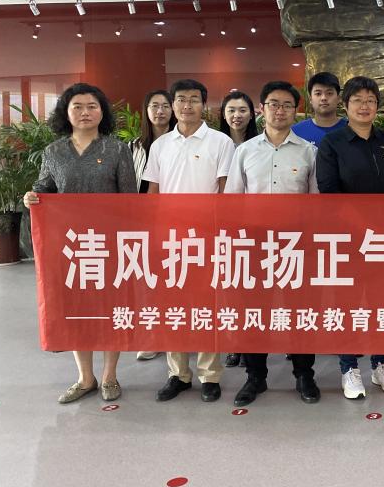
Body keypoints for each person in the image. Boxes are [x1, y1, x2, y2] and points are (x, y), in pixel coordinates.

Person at [23, 83, 137, 403]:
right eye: (77, 106)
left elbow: (130, 200)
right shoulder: (54, 152)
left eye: (92, 106)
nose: (85, 112)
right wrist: (32, 196)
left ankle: (110, 376)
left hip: (109, 245)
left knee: (111, 308)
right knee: (77, 310)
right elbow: (44, 188)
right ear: (66, 112)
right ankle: (85, 378)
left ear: (102, 112)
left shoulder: (117, 149)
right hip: (70, 246)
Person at [224, 81, 321, 407]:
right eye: (274, 104)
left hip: (295, 245)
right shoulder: (245, 151)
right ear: (262, 109)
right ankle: (255, 376)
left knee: (299, 310)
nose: (280, 111)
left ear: (296, 110)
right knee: (255, 311)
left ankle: (304, 374)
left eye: (287, 105)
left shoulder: (308, 151)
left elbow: (316, 202)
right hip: (254, 245)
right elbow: (233, 201)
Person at [144, 79, 236, 403]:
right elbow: (153, 192)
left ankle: (209, 375)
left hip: (207, 238)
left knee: (207, 306)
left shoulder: (221, 142)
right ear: (173, 105)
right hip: (170, 239)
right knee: (173, 308)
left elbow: (225, 191)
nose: (187, 105)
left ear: (204, 105)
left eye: (194, 99)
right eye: (181, 99)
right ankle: (178, 374)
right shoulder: (160, 146)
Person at [317, 76, 384, 399]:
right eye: (357, 100)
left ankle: (381, 364)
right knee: (349, 304)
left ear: (377, 106)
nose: (364, 106)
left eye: (370, 100)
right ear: (346, 105)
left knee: (383, 303)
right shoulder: (333, 144)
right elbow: (329, 192)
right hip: (348, 240)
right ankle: (349, 368)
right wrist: (362, 225)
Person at [129, 88, 176, 361]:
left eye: (165, 106)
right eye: (154, 106)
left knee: (177, 279)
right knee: (148, 282)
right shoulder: (133, 147)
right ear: (146, 111)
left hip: (176, 223)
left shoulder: (181, 142)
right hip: (142, 224)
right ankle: (153, 336)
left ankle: (182, 330)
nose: (160, 111)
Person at [219, 90, 259, 368]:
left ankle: (256, 342)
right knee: (233, 289)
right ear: (223, 114)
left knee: (254, 289)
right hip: (226, 228)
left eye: (242, 110)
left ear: (252, 114)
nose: (237, 115)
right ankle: (236, 344)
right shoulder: (217, 143)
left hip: (256, 227)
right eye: (231, 110)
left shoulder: (259, 143)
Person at [292, 71, 347, 146]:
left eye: (329, 93)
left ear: (338, 98)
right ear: (310, 99)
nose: (323, 98)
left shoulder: (351, 129)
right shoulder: (296, 132)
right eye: (318, 94)